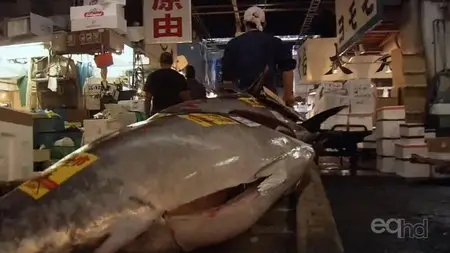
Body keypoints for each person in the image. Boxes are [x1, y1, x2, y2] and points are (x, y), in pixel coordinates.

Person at [221, 6, 297, 106]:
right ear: (264, 24)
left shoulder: (233, 44)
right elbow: (288, 70)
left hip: (242, 103)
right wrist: (287, 97)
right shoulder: (275, 42)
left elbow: (227, 79)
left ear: (244, 23)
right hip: (269, 101)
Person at [144, 52, 190, 117]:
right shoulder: (179, 77)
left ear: (160, 62)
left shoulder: (153, 76)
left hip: (158, 114)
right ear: (172, 62)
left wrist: (147, 115)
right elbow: (186, 98)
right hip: (175, 114)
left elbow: (148, 99)